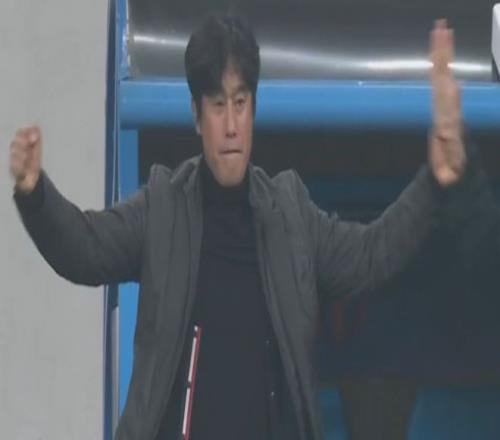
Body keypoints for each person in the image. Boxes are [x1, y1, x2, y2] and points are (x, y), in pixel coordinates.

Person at [9, 14, 474, 440]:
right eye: (217, 105)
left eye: (240, 102)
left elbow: (370, 254)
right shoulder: (163, 209)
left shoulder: (290, 215)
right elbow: (85, 249)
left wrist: (434, 183)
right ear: (197, 116)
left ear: (253, 109)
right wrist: (35, 195)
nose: (231, 124)